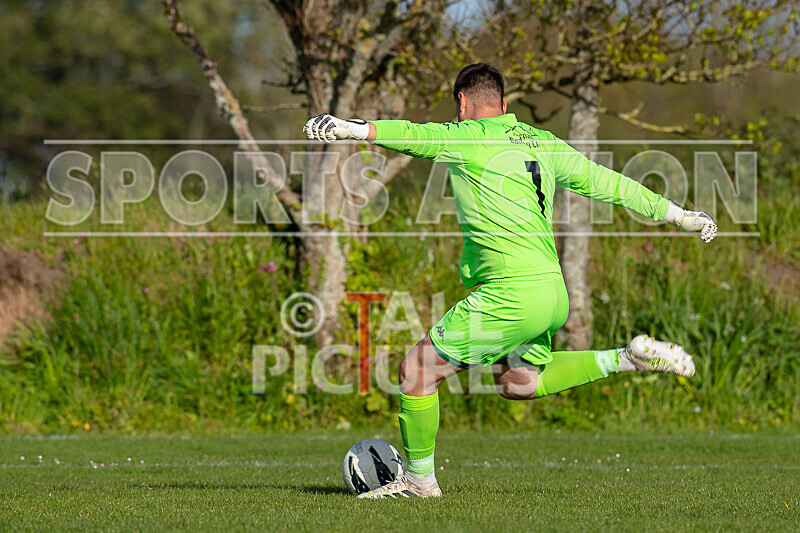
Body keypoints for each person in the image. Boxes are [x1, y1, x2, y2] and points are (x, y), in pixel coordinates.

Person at [303, 63, 717, 499]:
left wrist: (353, 129)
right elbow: (609, 184)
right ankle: (627, 359)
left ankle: (419, 483)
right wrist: (680, 215)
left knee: (417, 371)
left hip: (511, 292)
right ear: (504, 105)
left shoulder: (468, 137)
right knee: (519, 383)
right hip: (552, 293)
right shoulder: (543, 142)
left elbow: (415, 135)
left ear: (463, 104)